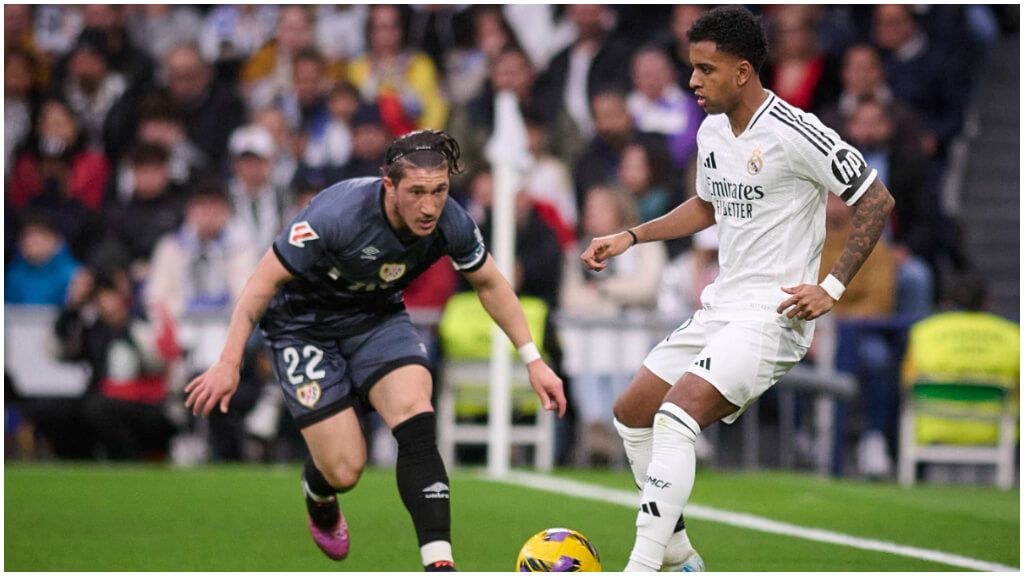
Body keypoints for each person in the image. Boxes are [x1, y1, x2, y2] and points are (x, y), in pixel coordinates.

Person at [580, 7, 894, 571]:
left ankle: (645, 565)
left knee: (677, 417)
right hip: (721, 306)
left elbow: (876, 198)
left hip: (774, 314)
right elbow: (708, 203)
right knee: (631, 414)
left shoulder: (797, 132)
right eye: (691, 68)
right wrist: (633, 234)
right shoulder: (712, 130)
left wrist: (833, 286)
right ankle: (678, 550)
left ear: (744, 70)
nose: (693, 82)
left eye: (705, 69)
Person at [183, 130, 565, 571]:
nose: (429, 206)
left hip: (375, 318)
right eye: (417, 192)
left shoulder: (451, 221)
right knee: (345, 470)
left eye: (439, 191)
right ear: (389, 185)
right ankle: (318, 489)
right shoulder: (338, 214)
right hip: (303, 327)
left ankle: (439, 562)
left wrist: (533, 360)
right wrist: (229, 363)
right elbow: (260, 284)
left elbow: (491, 284)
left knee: (415, 412)